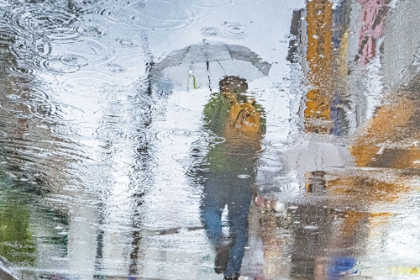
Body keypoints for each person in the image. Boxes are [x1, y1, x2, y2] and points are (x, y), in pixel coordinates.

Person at [197, 76, 265, 279]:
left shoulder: (216, 103)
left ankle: (219, 241)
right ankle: (232, 271)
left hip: (218, 167)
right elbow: (261, 136)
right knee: (238, 222)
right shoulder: (256, 108)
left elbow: (207, 127)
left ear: (223, 87)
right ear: (245, 88)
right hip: (244, 170)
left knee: (210, 209)